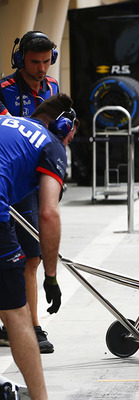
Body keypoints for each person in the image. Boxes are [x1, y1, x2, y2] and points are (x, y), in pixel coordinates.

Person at [0, 93, 84, 400]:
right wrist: (50, 276)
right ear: (64, 126)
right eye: (72, 133)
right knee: (17, 316)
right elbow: (49, 213)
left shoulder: (8, 124)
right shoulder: (51, 145)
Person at [0, 31, 61, 354]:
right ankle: (21, 323)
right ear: (19, 59)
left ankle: (29, 323)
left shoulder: (52, 87)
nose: (41, 69)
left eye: (46, 62)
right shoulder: (3, 90)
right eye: (34, 62)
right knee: (14, 257)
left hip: (37, 182)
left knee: (32, 256)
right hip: (8, 183)